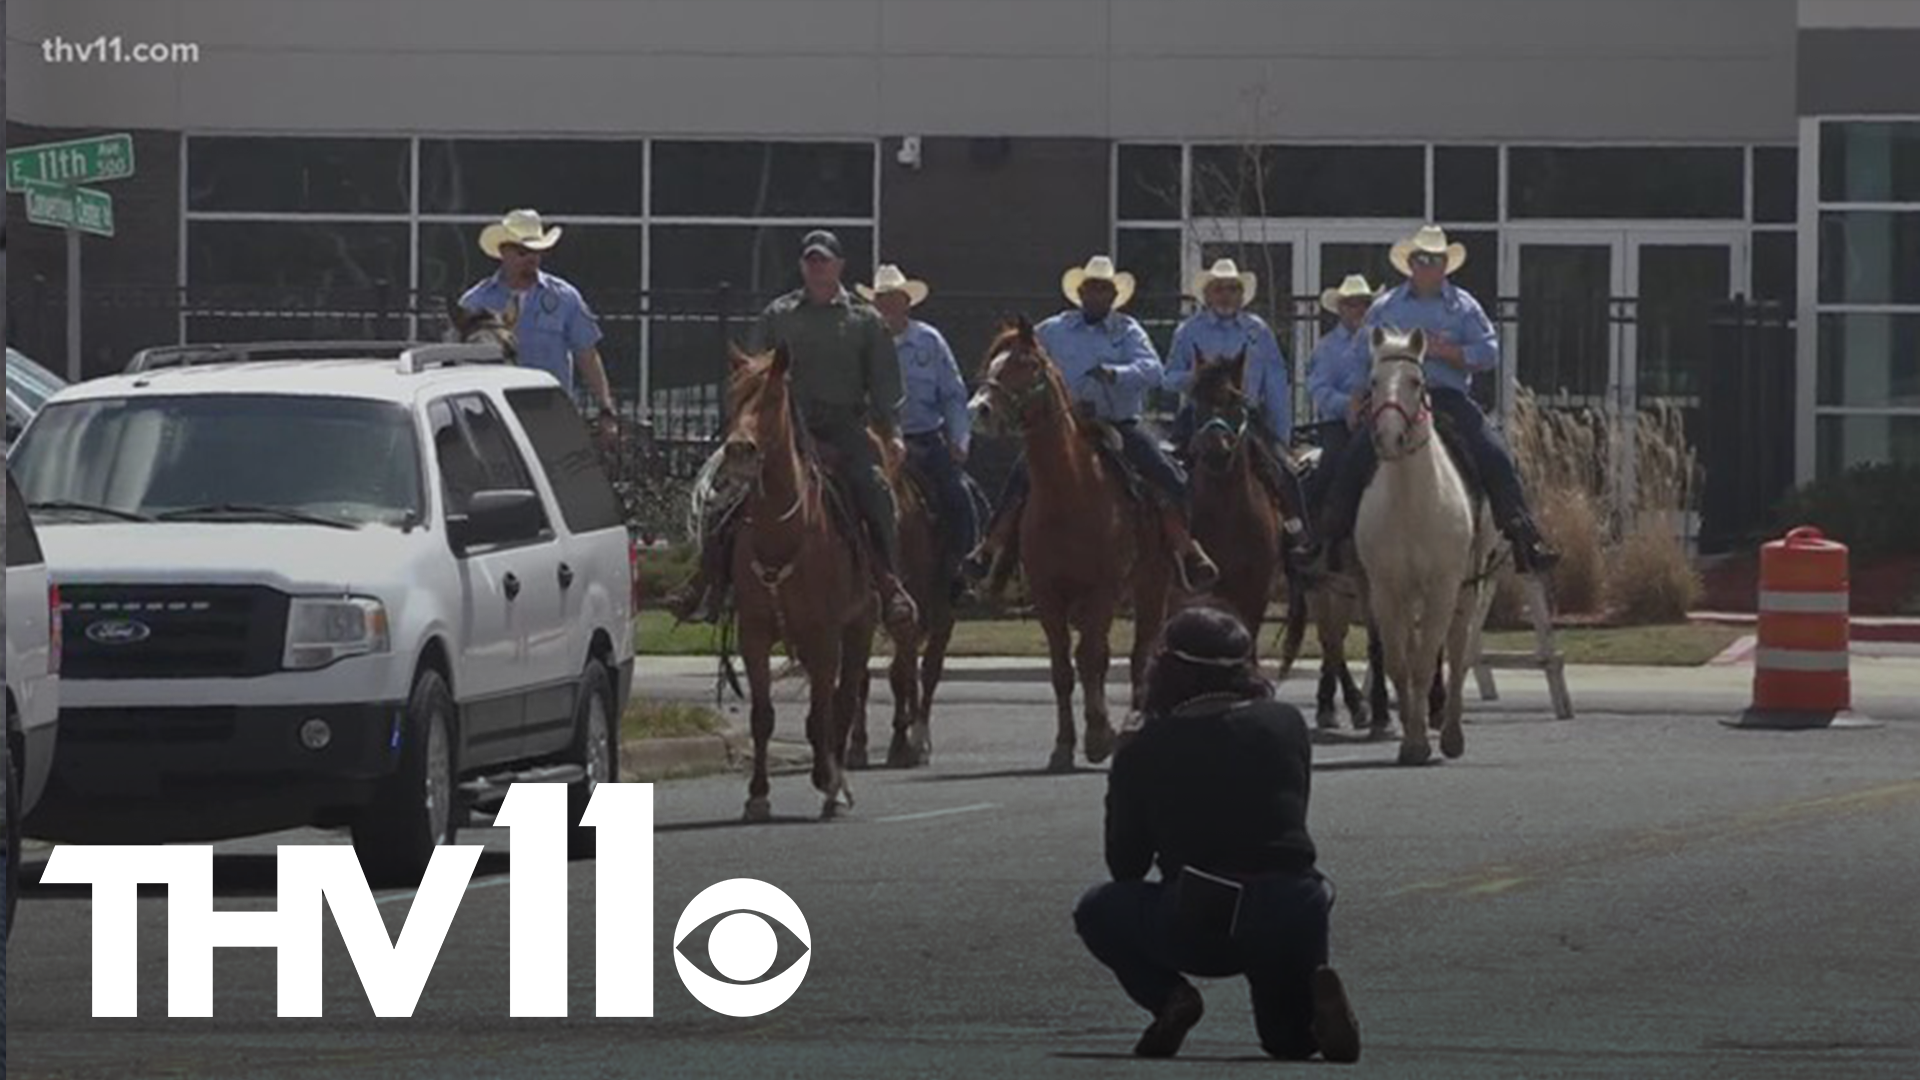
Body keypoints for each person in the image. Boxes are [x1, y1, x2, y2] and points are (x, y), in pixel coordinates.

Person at [1073, 605, 1361, 1063]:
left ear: (1167, 669)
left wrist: (1125, 765)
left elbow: (1125, 865)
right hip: (1294, 901)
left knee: (1097, 908)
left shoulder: (1146, 745)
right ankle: (1315, 1006)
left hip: (1205, 911)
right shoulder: (1287, 724)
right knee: (1288, 1043)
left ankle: (1171, 998)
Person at [669, 230, 918, 640]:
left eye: (824, 260)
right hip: (783, 429)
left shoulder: (864, 321)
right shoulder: (778, 314)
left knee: (872, 489)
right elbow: (751, 372)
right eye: (810, 260)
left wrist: (892, 433)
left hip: (843, 428)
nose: (817, 267)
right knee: (726, 493)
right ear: (803, 266)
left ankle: (888, 584)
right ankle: (706, 581)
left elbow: (886, 385)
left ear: (839, 266)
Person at [966, 255, 1218, 592]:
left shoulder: (1127, 330)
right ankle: (991, 547)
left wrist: (1115, 373)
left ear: (1114, 296)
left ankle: (1187, 549)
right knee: (1021, 478)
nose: (1097, 296)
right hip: (1067, 427)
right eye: (1091, 289)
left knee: (1165, 475)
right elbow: (1022, 351)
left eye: (1104, 290)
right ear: (1080, 292)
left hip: (1118, 425)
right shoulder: (1054, 329)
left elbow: (1153, 370)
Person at [1316, 226, 1561, 573]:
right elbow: (1360, 356)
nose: (1426, 264)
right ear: (1410, 263)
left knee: (1493, 452)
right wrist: (1357, 397)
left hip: (1447, 397)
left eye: (1434, 259)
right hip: (1392, 399)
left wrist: (1451, 352)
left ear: (1446, 265)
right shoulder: (1385, 308)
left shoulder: (1464, 307)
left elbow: (1489, 352)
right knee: (1353, 457)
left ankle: (1524, 537)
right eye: (1420, 258)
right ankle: (1329, 542)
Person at [1163, 258, 1319, 571]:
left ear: (1241, 295)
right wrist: (1192, 379)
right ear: (1207, 294)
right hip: (1199, 412)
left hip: (1245, 413)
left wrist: (1281, 434)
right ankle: (1173, 540)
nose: (1226, 295)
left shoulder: (1256, 331)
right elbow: (1167, 377)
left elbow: (1275, 382)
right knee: (1169, 470)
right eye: (1219, 289)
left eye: (1233, 289)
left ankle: (1298, 540)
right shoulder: (1188, 330)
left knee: (1283, 471)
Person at [857, 264, 979, 600]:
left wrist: (959, 439)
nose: (887, 306)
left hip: (924, 437)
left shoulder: (929, 341)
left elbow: (953, 394)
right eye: (881, 299)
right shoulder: (860, 339)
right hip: (873, 441)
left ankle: (960, 569)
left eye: (893, 299)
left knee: (958, 496)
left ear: (906, 302)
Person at [458, 209, 618, 438]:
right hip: (494, 421)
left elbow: (587, 354)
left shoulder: (564, 297)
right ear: (504, 252)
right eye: (523, 252)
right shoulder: (475, 302)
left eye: (537, 252)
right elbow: (457, 365)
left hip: (550, 416)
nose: (531, 260)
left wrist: (605, 408)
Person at [1303, 274, 1377, 508]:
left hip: (1381, 418)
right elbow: (1320, 390)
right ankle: (1322, 529)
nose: (1359, 310)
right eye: (1351, 304)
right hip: (1339, 424)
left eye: (1365, 303)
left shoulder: (1382, 343)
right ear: (1340, 308)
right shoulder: (1326, 347)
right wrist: (1351, 406)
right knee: (1332, 464)